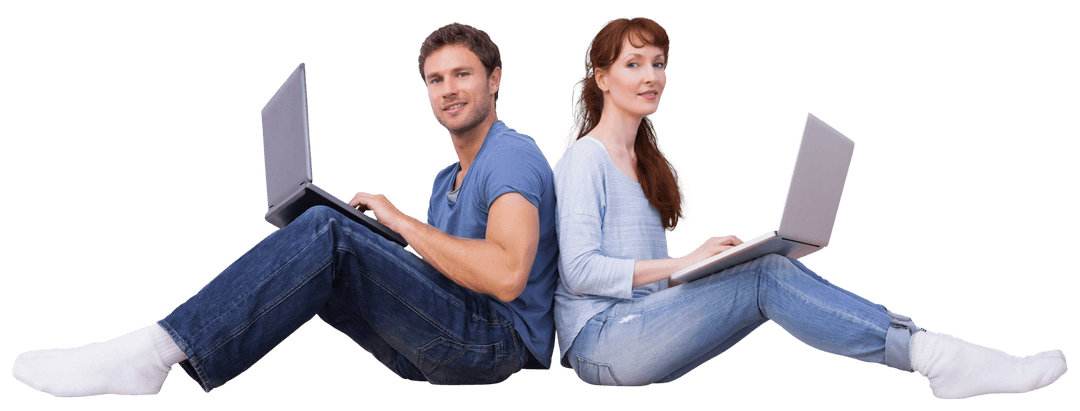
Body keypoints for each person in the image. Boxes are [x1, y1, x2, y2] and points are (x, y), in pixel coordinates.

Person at [11, 22, 559, 398]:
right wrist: (377, 238)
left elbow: (507, 276)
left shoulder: (510, 155)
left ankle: (152, 353)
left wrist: (398, 225)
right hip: (434, 346)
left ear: (495, 79)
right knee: (325, 227)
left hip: (493, 345)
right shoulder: (447, 180)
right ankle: (168, 350)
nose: (448, 90)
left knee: (328, 232)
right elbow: (448, 276)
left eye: (462, 75)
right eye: (436, 80)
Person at [553, 16, 1067, 400]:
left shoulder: (650, 165)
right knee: (764, 276)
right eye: (633, 64)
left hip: (644, 330)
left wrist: (703, 268)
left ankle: (928, 349)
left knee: (766, 267)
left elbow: (646, 280)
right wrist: (682, 265)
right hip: (602, 343)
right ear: (602, 78)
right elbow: (580, 273)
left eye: (659, 63)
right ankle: (936, 357)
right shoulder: (584, 162)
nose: (651, 76)